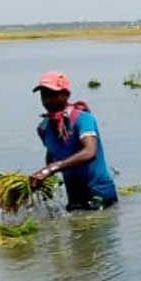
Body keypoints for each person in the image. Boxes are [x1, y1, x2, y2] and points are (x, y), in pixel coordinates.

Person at [29, 71, 118, 211]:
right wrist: (43, 179)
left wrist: (52, 168)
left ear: (66, 94)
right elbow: (52, 155)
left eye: (53, 95)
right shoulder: (44, 128)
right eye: (44, 95)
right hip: (74, 196)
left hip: (98, 193)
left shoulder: (82, 119)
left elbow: (90, 152)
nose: (48, 100)